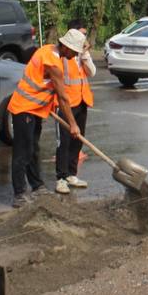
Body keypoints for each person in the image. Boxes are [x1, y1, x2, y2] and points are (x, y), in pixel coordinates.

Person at [8, 29, 83, 207]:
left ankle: (37, 186)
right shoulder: (52, 62)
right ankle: (19, 193)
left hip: (35, 110)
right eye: (73, 51)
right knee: (22, 152)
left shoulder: (50, 51)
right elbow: (63, 97)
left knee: (33, 149)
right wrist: (73, 124)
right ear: (65, 47)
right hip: (24, 109)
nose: (74, 56)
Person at [55, 18, 95, 194]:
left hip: (81, 101)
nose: (85, 37)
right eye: (83, 34)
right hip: (65, 105)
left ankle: (71, 174)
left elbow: (92, 72)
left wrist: (85, 55)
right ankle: (61, 178)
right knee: (63, 143)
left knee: (77, 140)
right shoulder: (63, 55)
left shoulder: (80, 54)